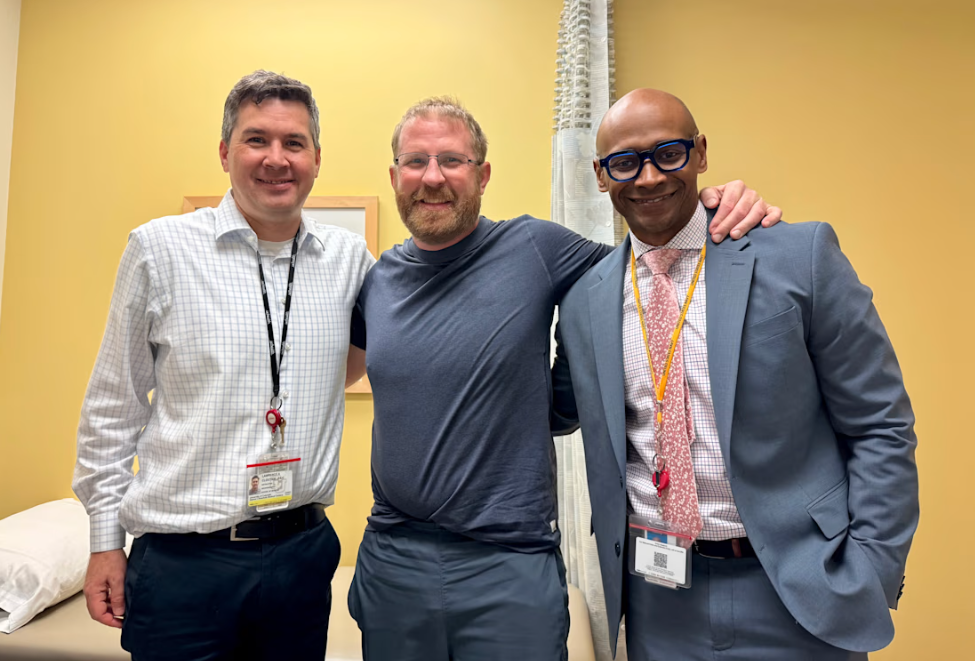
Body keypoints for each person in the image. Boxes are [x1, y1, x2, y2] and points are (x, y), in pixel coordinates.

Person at [347, 96, 780, 661]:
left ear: (482, 175)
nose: (433, 178)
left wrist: (720, 205)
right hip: (393, 557)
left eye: (452, 160)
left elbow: (651, 261)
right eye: (416, 161)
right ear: (394, 175)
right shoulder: (377, 282)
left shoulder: (534, 247)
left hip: (510, 561)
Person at [551, 88, 919, 660]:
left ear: (700, 153)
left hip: (800, 587)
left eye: (668, 153)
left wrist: (870, 565)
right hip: (658, 597)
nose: (648, 177)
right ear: (602, 177)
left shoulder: (798, 257)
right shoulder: (583, 301)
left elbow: (880, 425)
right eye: (625, 162)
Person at [72, 70, 373, 661]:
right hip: (184, 564)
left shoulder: (349, 260)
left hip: (302, 553)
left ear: (316, 158)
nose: (276, 159)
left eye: (294, 143)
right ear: (225, 151)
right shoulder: (158, 249)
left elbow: (359, 361)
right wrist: (105, 542)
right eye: (256, 140)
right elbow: (113, 408)